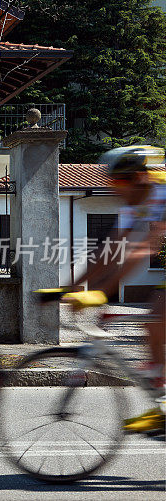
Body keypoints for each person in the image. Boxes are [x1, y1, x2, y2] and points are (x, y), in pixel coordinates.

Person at [65, 145, 165, 433]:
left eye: (121, 182)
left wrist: (101, 291)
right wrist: (71, 287)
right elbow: (109, 249)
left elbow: (143, 248)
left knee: (160, 309)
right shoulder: (134, 205)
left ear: (140, 177)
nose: (116, 189)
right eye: (112, 182)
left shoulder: (162, 194)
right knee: (153, 324)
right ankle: (161, 402)